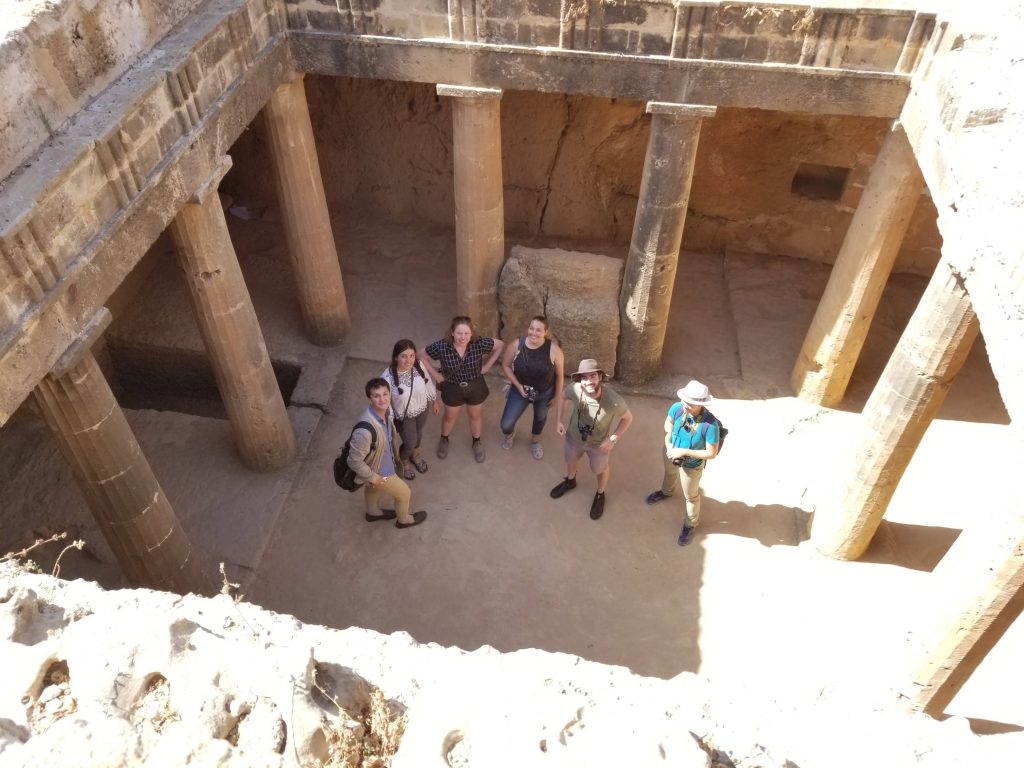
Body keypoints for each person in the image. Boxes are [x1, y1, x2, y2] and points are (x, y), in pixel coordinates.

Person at [550, 359, 632, 520]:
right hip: (574, 437)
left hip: (598, 444)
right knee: (571, 459)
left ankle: (600, 494)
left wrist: (613, 439)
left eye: (592, 376)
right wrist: (559, 420)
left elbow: (628, 419)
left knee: (599, 469)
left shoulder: (613, 401)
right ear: (580, 380)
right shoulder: (574, 389)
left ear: (600, 377)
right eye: (584, 377)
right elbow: (562, 397)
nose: (588, 381)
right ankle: (570, 481)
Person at [645, 380, 719, 546]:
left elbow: (711, 453)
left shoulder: (709, 424)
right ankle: (666, 492)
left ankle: (690, 524)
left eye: (691, 403)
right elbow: (668, 423)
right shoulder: (677, 408)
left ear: (701, 404)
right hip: (671, 452)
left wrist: (684, 452)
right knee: (669, 473)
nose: (686, 405)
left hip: (692, 464)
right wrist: (669, 440)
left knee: (691, 496)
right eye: (685, 400)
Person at [346, 377, 427, 529]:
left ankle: (372, 512)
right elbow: (354, 461)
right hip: (380, 471)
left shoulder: (385, 412)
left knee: (372, 487)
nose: (382, 399)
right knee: (404, 494)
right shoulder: (364, 431)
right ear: (369, 399)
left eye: (385, 394)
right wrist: (373, 477)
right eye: (376, 396)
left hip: (382, 463)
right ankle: (404, 520)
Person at [421, 316, 504, 463]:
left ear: (471, 333)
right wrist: (435, 375)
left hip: (475, 385)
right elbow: (421, 355)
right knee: (449, 417)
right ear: (452, 333)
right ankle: (444, 439)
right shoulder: (442, 347)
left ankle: (476, 441)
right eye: (459, 333)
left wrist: (487, 366)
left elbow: (500, 345)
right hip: (452, 387)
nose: (463, 337)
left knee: (475, 416)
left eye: (466, 333)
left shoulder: (478, 343)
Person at [499, 315, 565, 460]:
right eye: (531, 328)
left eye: (538, 330)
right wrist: (518, 385)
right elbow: (505, 365)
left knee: (540, 419)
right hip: (520, 390)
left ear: (546, 332)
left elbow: (560, 376)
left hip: (544, 393)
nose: (533, 333)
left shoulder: (554, 350)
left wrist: (556, 396)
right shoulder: (517, 344)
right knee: (506, 424)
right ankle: (510, 433)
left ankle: (535, 442)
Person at [381, 339, 439, 480]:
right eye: (403, 356)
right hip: (404, 415)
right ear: (396, 357)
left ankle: (415, 455)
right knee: (410, 442)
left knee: (418, 434)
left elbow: (428, 382)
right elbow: (384, 402)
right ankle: (404, 460)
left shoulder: (419, 365)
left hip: (422, 409)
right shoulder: (387, 377)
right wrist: (389, 419)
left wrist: (434, 400)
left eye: (412, 355)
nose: (409, 360)